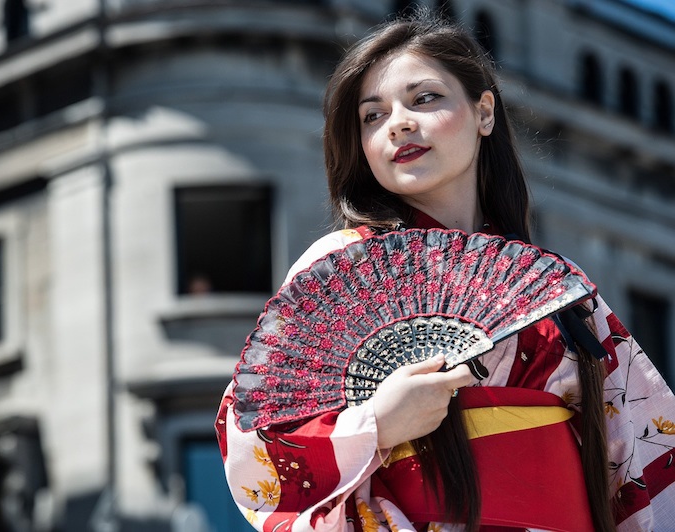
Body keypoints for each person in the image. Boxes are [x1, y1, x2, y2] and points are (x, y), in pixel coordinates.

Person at [215, 10, 675, 531]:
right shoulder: (342, 264)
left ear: (484, 113)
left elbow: (641, 447)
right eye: (372, 116)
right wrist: (377, 424)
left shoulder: (557, 284)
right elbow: (254, 437)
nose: (399, 123)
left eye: (424, 98)